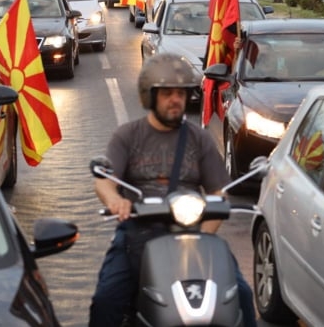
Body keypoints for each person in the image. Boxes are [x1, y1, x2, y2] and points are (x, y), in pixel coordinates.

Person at [88, 53, 258, 327]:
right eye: (167, 93)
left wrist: (202, 235)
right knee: (106, 299)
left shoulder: (199, 138)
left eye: (180, 93)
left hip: (192, 232)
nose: (175, 99)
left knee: (241, 294)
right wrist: (115, 200)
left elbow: (218, 192)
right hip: (139, 231)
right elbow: (105, 179)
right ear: (150, 96)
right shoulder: (128, 136)